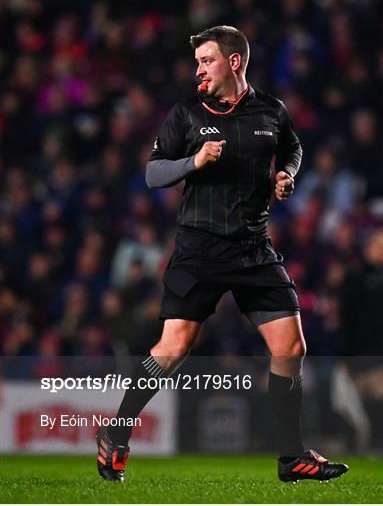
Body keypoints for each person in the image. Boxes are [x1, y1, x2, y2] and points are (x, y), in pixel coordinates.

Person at [96, 26, 349, 483]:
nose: (199, 70)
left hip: (254, 247)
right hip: (199, 248)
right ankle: (115, 434)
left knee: (291, 347)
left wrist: (286, 174)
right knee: (173, 349)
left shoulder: (271, 110)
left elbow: (291, 147)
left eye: (206, 61)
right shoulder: (187, 114)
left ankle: (291, 458)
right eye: (198, 62)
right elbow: (154, 174)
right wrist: (195, 162)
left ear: (234, 62)